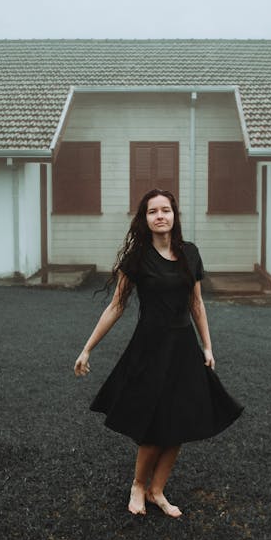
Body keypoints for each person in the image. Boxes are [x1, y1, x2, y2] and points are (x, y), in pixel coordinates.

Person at [74, 189, 243, 518]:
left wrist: (208, 346)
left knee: (179, 421)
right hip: (150, 349)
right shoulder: (137, 259)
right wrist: (87, 348)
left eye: (166, 210)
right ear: (145, 219)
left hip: (184, 349)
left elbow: (196, 303)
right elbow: (116, 306)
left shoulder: (190, 254)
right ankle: (138, 484)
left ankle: (157, 490)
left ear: (174, 215)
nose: (161, 216)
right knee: (152, 423)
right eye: (153, 211)